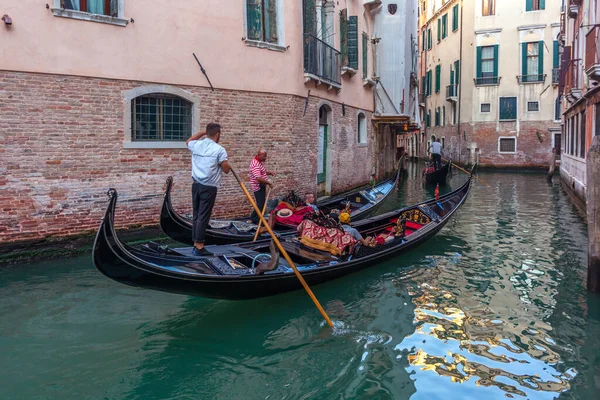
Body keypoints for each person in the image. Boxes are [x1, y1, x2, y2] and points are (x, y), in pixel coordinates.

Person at [186, 123, 231, 256]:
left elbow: (188, 141)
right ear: (217, 134)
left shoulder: (196, 145)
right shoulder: (219, 150)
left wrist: (201, 133)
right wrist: (226, 162)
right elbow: (226, 170)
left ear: (207, 133)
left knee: (196, 215)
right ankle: (199, 246)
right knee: (203, 217)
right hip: (209, 187)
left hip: (196, 185)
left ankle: (195, 243)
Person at [249, 148, 276, 224]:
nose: (265, 158)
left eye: (266, 156)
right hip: (258, 186)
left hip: (261, 185)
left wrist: (269, 173)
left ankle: (252, 219)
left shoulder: (259, 162)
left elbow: (262, 172)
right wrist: (268, 182)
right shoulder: (256, 164)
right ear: (259, 155)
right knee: (260, 204)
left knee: (261, 204)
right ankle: (256, 220)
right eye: (264, 156)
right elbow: (258, 178)